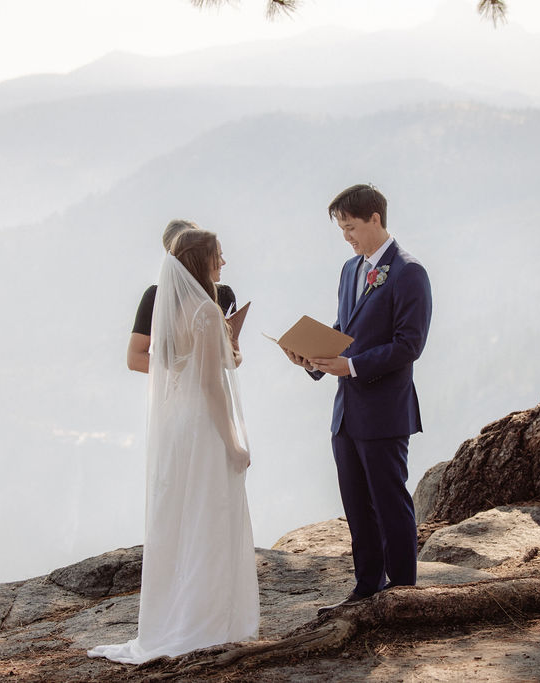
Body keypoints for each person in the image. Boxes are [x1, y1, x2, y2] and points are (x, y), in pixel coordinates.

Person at [89, 229, 258, 664]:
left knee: (183, 514)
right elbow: (210, 386)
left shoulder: (175, 308)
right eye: (218, 256)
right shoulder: (204, 310)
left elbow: (185, 366)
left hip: (180, 421)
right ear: (202, 262)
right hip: (203, 422)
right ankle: (205, 621)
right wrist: (233, 440)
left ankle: (179, 615)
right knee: (209, 513)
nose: (223, 263)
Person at [283, 184, 432, 613]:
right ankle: (367, 584)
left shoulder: (409, 272)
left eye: (351, 227)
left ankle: (402, 590)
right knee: (355, 501)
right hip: (346, 411)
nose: (346, 237)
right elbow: (342, 333)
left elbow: (409, 345)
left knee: (389, 499)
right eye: (341, 229)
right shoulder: (350, 270)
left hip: (385, 408)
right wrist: (310, 358)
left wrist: (353, 367)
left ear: (375, 220)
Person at [128, 220, 237, 373]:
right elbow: (134, 358)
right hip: (175, 391)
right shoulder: (155, 297)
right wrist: (186, 377)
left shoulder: (224, 296)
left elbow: (231, 359)